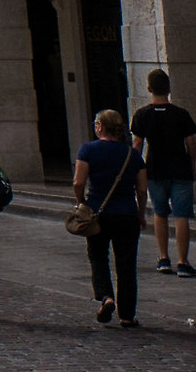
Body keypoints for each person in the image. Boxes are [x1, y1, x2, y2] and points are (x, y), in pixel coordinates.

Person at [75, 107, 147, 327]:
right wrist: (141, 213)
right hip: (126, 214)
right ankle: (127, 315)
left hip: (98, 213)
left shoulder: (88, 150)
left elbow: (78, 182)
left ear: (100, 127)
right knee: (126, 264)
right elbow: (142, 189)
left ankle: (106, 297)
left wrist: (81, 203)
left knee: (98, 256)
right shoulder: (131, 154)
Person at [130, 68, 196, 276]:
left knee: (160, 213)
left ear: (149, 88)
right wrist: (193, 165)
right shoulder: (181, 114)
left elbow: (138, 144)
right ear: (169, 89)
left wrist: (135, 169)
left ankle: (163, 258)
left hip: (155, 169)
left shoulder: (142, 115)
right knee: (182, 215)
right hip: (180, 168)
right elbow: (191, 142)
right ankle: (183, 262)